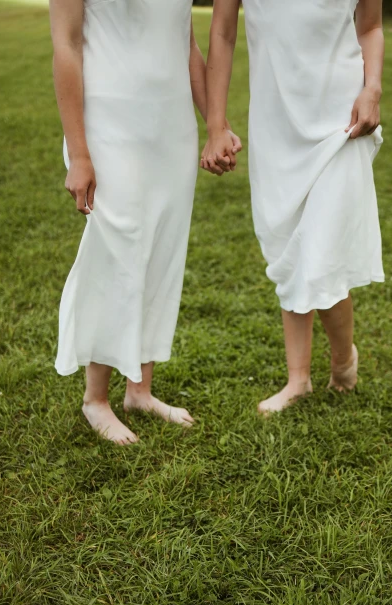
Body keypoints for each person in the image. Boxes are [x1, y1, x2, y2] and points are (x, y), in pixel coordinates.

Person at [50, 0, 241, 444]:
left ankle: (140, 390)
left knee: (161, 251)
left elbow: (186, 45)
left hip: (169, 126)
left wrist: (216, 125)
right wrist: (79, 153)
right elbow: (66, 45)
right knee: (115, 251)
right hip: (109, 122)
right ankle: (95, 400)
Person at [202, 0, 384, 415]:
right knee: (289, 249)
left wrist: (372, 87)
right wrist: (215, 123)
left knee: (320, 250)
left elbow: (370, 27)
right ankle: (298, 379)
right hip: (276, 126)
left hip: (342, 122)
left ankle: (341, 362)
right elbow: (223, 32)